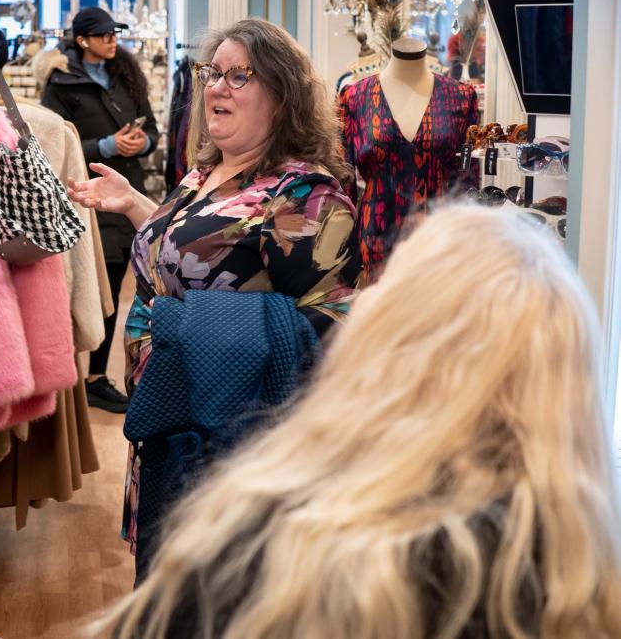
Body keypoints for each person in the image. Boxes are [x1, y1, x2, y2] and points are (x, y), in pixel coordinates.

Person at [99, 203, 621, 639]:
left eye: (384, 284)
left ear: (393, 337)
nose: (364, 295)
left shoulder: (260, 542)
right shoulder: (584, 578)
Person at [67, 17, 358, 576]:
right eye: (211, 73)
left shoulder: (304, 197)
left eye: (238, 76)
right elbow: (198, 258)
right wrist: (133, 205)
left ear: (282, 96)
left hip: (236, 453)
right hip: (171, 432)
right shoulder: (205, 173)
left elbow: (330, 331)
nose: (215, 88)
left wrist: (176, 327)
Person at [40, 6, 158, 413]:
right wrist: (106, 147)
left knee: (123, 278)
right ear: (83, 40)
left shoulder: (126, 75)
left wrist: (140, 143)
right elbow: (53, 147)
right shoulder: (62, 83)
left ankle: (96, 375)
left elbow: (154, 132)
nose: (112, 40)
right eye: (104, 34)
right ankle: (89, 377)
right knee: (100, 285)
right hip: (88, 197)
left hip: (128, 194)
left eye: (114, 33)